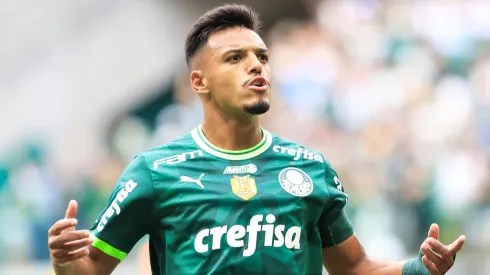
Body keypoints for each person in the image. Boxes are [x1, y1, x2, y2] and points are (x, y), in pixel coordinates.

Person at [47, 4, 465, 275]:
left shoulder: (308, 167)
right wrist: (64, 260)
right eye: (236, 58)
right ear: (199, 82)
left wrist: (419, 269)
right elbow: (93, 267)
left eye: (261, 56)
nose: (256, 66)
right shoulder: (154, 172)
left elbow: (353, 267)